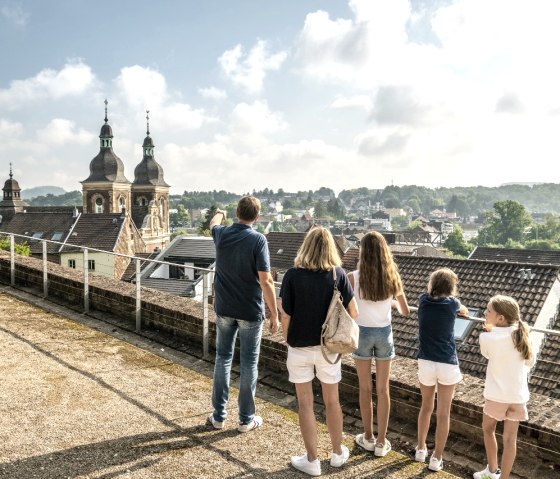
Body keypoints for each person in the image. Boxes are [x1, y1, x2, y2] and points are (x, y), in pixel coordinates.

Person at [280, 226, 358, 476]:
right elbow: (353, 312)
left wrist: (287, 338)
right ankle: (337, 453)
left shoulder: (292, 276)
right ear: (330, 248)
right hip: (329, 348)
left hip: (299, 346)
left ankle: (312, 460)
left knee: (305, 404)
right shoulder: (338, 275)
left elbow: (285, 314)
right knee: (332, 401)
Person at [208, 196, 279, 432]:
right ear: (257, 217)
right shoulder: (258, 240)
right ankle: (246, 419)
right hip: (249, 310)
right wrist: (274, 314)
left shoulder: (222, 234)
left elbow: (213, 223)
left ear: (237, 212)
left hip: (224, 308)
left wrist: (219, 211)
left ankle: (218, 416)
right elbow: (266, 281)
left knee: (223, 358)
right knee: (249, 362)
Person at [351, 231, 410, 457]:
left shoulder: (352, 277)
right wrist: (391, 303)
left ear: (363, 251)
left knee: (365, 389)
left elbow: (348, 308)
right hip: (384, 334)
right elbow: (405, 311)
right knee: (383, 390)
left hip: (361, 333)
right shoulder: (392, 276)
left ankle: (367, 437)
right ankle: (382, 442)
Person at [474, 295, 536, 479]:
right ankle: (504, 477)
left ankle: (492, 470)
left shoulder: (487, 337)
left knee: (488, 429)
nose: (485, 313)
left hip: (496, 396)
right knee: (510, 440)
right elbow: (529, 362)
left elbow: (486, 355)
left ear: (500, 318)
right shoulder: (524, 334)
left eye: (488, 311)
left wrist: (489, 330)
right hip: (517, 397)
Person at [415, 267, 468, 472]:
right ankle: (436, 458)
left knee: (426, 407)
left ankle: (420, 449)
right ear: (451, 287)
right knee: (443, 412)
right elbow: (463, 310)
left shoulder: (423, 300)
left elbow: (427, 294)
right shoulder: (453, 304)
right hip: (446, 361)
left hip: (426, 361)